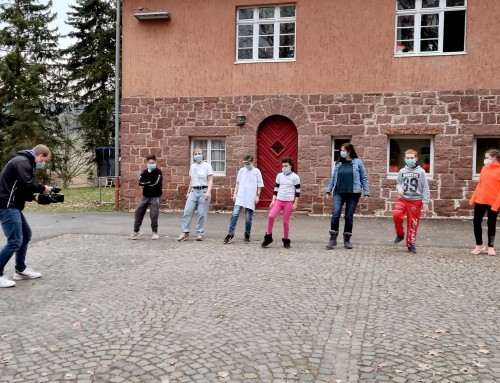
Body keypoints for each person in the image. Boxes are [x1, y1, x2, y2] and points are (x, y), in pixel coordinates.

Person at [0, 145, 53, 288]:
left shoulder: (22, 161)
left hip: (12, 205)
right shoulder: (23, 162)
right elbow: (27, 184)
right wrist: (43, 188)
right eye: (44, 160)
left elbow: (20, 188)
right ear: (40, 155)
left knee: (25, 235)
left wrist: (34, 198)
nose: (43, 163)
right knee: (15, 241)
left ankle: (20, 270)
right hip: (6, 205)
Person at [325, 143, 370, 249]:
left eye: (344, 150)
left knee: (348, 217)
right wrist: (328, 190)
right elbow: (333, 178)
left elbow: (364, 177)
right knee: (335, 214)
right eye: (341, 150)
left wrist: (366, 191)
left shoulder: (358, 162)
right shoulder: (339, 164)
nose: (342, 152)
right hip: (338, 192)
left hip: (353, 193)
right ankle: (333, 239)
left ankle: (347, 240)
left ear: (350, 151)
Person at [392, 148, 430, 254]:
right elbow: (398, 182)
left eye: (412, 158)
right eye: (408, 158)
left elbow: (425, 188)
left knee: (413, 223)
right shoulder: (402, 171)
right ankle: (400, 234)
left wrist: (426, 202)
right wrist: (399, 188)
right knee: (396, 215)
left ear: (416, 158)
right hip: (403, 198)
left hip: (415, 200)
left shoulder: (421, 172)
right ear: (404, 159)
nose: (410, 160)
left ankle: (411, 243)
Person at [261, 157, 300, 249]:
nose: (284, 168)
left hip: (288, 202)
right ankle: (268, 237)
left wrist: (295, 203)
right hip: (279, 200)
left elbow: (298, 192)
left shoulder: (295, 177)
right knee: (271, 216)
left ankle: (286, 240)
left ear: (291, 166)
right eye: (283, 166)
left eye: (286, 166)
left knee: (285, 222)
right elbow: (276, 189)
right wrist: (273, 200)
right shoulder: (279, 176)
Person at [224, 154, 264, 244]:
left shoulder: (256, 171)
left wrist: (258, 195)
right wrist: (235, 194)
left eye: (248, 163)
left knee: (248, 218)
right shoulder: (242, 170)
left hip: (251, 197)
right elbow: (237, 183)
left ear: (252, 162)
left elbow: (259, 185)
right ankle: (230, 234)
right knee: (235, 214)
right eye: (245, 163)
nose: (247, 164)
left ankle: (247, 235)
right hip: (241, 196)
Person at [178, 148, 213, 241]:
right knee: (187, 212)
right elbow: (192, 180)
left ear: (202, 155)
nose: (197, 155)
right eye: (195, 154)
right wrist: (188, 192)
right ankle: (185, 232)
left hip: (203, 191)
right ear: (193, 156)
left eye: (199, 153)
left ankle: (200, 233)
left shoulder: (207, 166)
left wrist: (208, 192)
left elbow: (210, 180)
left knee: (202, 214)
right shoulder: (192, 166)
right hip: (194, 191)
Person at [469, 149, 500, 256]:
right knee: (476, 222)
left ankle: (490, 246)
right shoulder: (484, 169)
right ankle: (479, 245)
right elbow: (480, 185)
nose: (485, 160)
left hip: (493, 202)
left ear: (494, 158)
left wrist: (496, 205)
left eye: (487, 158)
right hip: (481, 200)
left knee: (491, 224)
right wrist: (473, 198)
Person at [129, 154, 163, 240]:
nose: (151, 164)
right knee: (138, 212)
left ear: (155, 162)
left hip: (155, 197)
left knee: (153, 215)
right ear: (147, 163)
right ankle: (136, 231)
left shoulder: (158, 172)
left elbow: (156, 183)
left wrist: (147, 182)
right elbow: (140, 182)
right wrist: (149, 182)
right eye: (150, 162)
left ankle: (154, 233)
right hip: (145, 196)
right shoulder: (144, 172)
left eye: (153, 162)